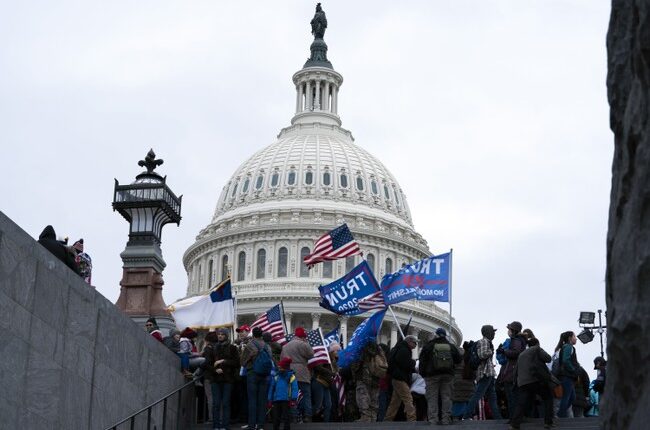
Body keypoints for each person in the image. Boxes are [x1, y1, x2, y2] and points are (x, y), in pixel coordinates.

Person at [508, 337, 554, 430]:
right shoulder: (537, 349)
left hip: (522, 382)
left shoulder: (521, 354)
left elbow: (516, 370)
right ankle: (548, 423)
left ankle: (514, 425)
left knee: (521, 403)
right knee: (548, 397)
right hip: (535, 379)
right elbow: (548, 358)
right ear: (537, 343)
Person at [419, 327, 461, 425]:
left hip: (432, 375)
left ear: (436, 335)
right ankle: (446, 419)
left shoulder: (429, 345)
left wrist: (423, 374)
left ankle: (433, 419)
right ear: (445, 336)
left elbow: (422, 361)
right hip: (448, 375)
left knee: (432, 398)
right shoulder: (450, 346)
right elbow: (458, 359)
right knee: (447, 397)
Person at [462, 325, 503, 420]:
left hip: (489, 373)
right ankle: (466, 416)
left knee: (492, 397)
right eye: (493, 332)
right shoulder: (484, 341)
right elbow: (482, 355)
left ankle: (498, 418)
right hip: (485, 373)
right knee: (477, 395)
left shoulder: (486, 342)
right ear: (488, 332)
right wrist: (491, 351)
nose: (494, 334)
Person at [203, 328, 240, 430]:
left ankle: (225, 426)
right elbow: (207, 364)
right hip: (215, 379)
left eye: (222, 334)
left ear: (226, 336)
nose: (220, 336)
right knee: (216, 403)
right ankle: (216, 426)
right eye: (219, 334)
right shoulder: (212, 348)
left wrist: (223, 361)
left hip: (228, 380)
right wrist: (215, 370)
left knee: (226, 403)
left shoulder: (232, 348)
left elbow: (236, 363)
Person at [241, 326, 273, 430]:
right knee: (262, 401)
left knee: (252, 400)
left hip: (252, 373)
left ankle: (252, 425)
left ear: (253, 334)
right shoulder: (267, 346)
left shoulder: (250, 345)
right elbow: (270, 358)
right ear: (261, 334)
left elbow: (242, 362)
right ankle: (260, 425)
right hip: (264, 375)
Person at [280, 327, 314, 422]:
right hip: (302, 372)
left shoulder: (285, 346)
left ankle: (293, 415)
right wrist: (307, 343)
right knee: (306, 394)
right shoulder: (303, 344)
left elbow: (282, 360)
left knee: (292, 395)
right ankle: (307, 415)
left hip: (289, 373)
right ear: (303, 336)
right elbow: (311, 354)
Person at [496, 321, 527, 418]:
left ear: (513, 330)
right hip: (515, 371)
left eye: (509, 329)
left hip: (512, 372)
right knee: (513, 397)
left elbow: (515, 352)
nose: (508, 331)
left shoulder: (516, 340)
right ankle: (516, 417)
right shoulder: (520, 340)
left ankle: (514, 418)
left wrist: (503, 351)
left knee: (511, 397)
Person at [384, 335, 418, 422]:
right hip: (400, 378)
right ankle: (412, 419)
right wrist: (413, 362)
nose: (416, 345)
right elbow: (403, 363)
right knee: (408, 398)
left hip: (397, 378)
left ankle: (388, 419)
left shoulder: (400, 348)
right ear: (409, 341)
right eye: (415, 342)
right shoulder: (404, 350)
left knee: (395, 402)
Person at [352, 341, 386, 422]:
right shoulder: (378, 348)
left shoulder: (361, 347)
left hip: (364, 376)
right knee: (374, 398)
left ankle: (365, 417)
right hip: (376, 376)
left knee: (362, 396)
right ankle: (372, 417)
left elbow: (355, 364)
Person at [268, 357, 298, 430]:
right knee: (276, 417)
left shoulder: (291, 377)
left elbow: (295, 388)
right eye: (279, 367)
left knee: (286, 417)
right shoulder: (276, 376)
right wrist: (269, 399)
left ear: (285, 367)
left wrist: (293, 399)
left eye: (281, 367)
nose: (279, 368)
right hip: (276, 400)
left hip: (287, 399)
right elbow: (271, 388)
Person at [554, 331, 579, 418]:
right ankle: (560, 416)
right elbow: (565, 360)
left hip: (567, 376)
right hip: (567, 376)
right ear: (569, 338)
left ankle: (560, 414)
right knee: (567, 397)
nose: (576, 338)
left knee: (572, 397)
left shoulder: (566, 347)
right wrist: (573, 369)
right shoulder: (568, 347)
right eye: (574, 336)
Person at [450, 343, 474, 421]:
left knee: (457, 401)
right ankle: (466, 417)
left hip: (456, 382)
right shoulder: (468, 360)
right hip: (468, 384)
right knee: (465, 401)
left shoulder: (454, 361)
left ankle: (455, 417)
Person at [234, 324, 251, 426]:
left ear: (248, 331)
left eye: (242, 331)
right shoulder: (237, 344)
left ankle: (247, 417)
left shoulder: (250, 343)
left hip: (247, 373)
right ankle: (241, 416)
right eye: (239, 332)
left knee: (247, 396)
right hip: (238, 375)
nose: (240, 333)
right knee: (240, 396)